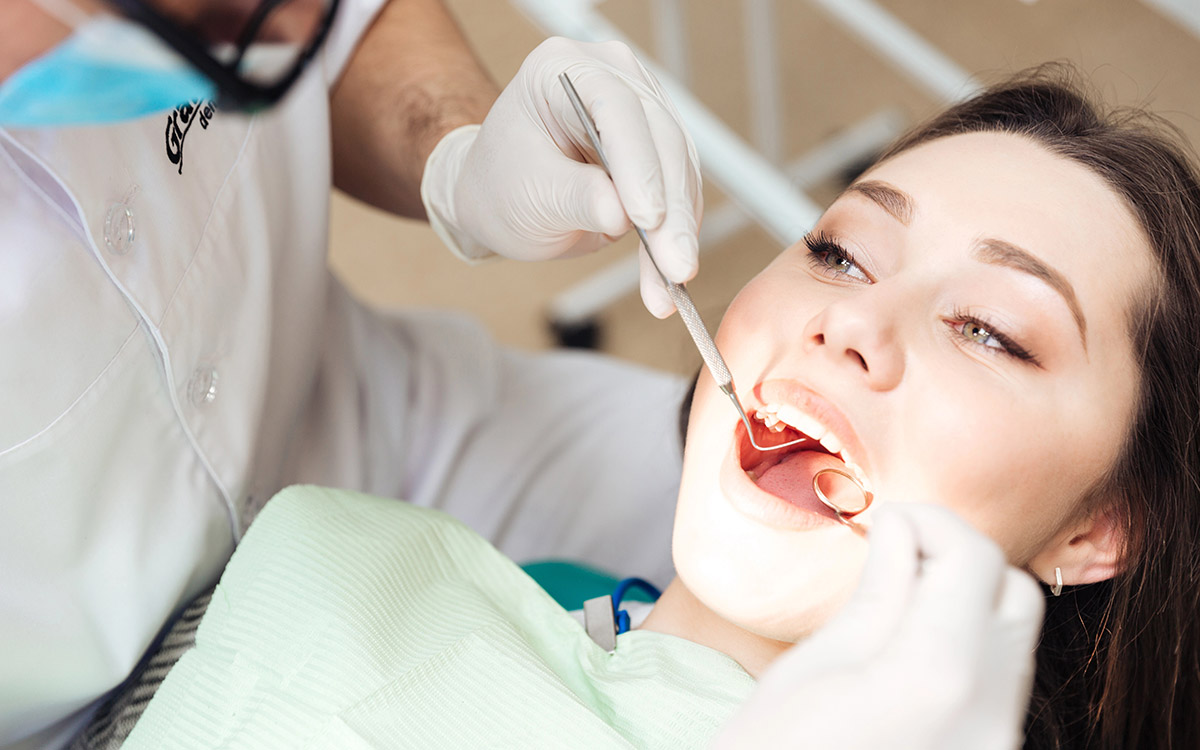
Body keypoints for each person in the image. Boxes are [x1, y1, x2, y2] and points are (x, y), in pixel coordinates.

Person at [113, 66, 1200, 749]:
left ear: (1100, 528)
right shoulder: (374, 571)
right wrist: (458, 161)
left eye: (990, 331)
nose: (850, 326)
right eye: (840, 252)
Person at [0, 0, 706, 747]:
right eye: (217, 21)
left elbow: (340, 30)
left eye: (839, 256)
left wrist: (457, 150)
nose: (287, 32)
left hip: (392, 436)